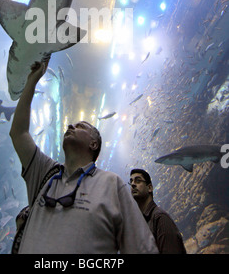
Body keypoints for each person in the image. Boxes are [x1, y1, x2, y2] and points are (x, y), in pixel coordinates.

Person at [9, 60, 158, 254]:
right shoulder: (44, 173)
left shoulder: (111, 184)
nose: (71, 126)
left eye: (80, 127)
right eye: (71, 125)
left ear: (93, 144)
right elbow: (19, 133)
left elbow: (142, 248)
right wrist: (32, 80)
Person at [129, 168, 186, 254]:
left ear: (150, 188)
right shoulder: (140, 223)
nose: (133, 184)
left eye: (138, 181)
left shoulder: (160, 218)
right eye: (131, 181)